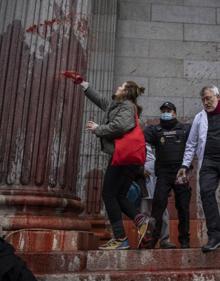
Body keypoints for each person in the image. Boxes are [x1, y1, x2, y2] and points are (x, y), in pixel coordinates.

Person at [62, 71, 151, 250]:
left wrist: (98, 128)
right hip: (128, 159)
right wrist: (84, 85)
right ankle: (141, 222)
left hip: (124, 158)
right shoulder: (118, 105)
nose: (117, 87)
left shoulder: (127, 106)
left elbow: (121, 126)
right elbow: (102, 101)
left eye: (121, 86)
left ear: (126, 92)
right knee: (119, 195)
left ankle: (120, 238)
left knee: (108, 194)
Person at [177, 85, 220, 253]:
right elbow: (191, 144)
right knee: (206, 193)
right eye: (203, 99)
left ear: (218, 97)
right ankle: (215, 236)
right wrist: (184, 165)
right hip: (208, 162)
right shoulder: (199, 118)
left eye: (209, 98)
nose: (206, 102)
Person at [143, 102, 192, 249]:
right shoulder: (154, 130)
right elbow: (140, 143)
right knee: (158, 207)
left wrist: (189, 167)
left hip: (180, 173)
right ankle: (153, 240)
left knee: (183, 207)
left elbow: (195, 144)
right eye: (163, 110)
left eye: (169, 110)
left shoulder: (185, 129)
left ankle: (184, 240)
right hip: (163, 174)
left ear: (174, 113)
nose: (166, 112)